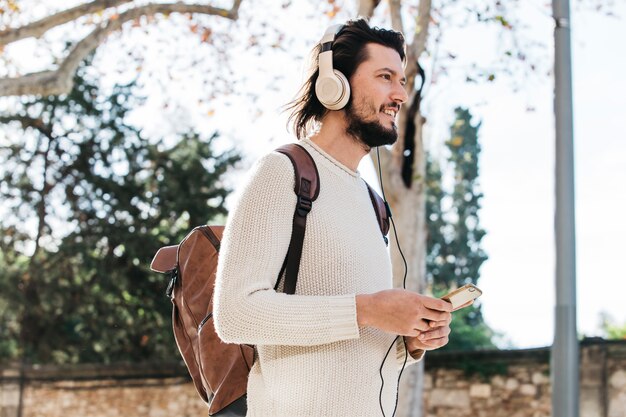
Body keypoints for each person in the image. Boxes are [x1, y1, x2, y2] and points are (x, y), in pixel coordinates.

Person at [214, 19, 454, 417]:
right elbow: (236, 314)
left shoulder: (372, 203)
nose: (400, 95)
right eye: (385, 77)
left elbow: (352, 343)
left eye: (402, 81)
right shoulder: (283, 172)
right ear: (334, 85)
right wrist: (369, 309)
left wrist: (409, 340)